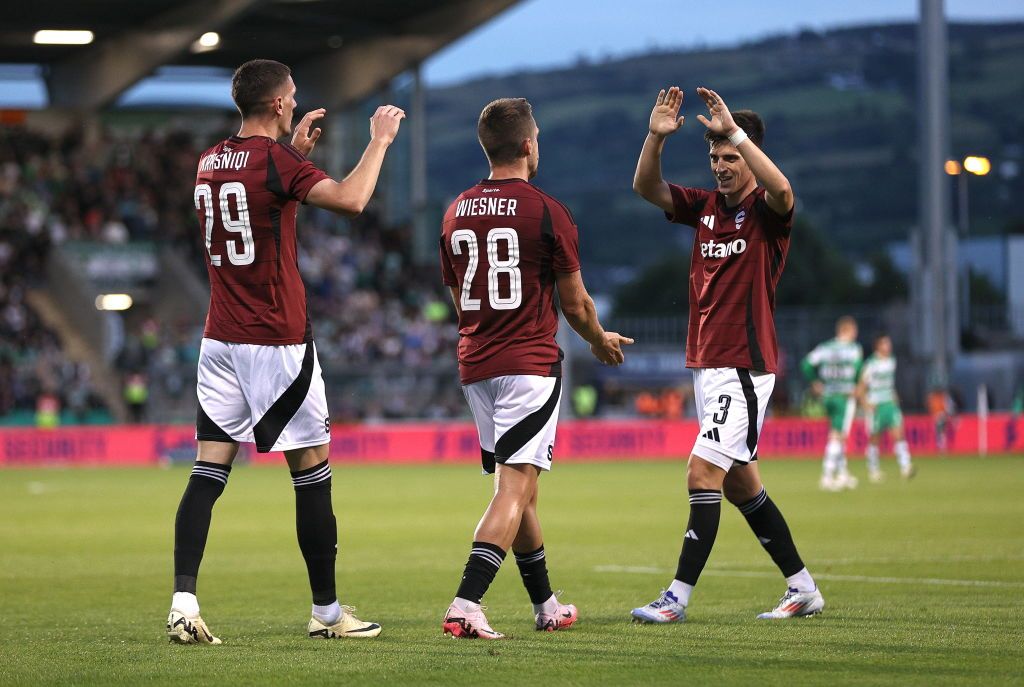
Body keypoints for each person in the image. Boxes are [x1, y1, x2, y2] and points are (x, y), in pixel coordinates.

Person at [166, 59, 405, 645]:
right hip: (275, 338)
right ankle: (327, 613)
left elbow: (262, 200)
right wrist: (378, 142)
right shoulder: (277, 162)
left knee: (207, 470)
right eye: (292, 96)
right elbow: (351, 200)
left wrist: (293, 155)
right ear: (275, 104)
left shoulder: (210, 161)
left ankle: (183, 602)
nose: (296, 103)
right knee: (312, 470)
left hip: (219, 336)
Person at [439, 98, 633, 639]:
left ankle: (546, 604)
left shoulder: (455, 210)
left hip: (476, 364)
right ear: (528, 145)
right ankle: (465, 603)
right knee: (514, 487)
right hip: (528, 364)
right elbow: (576, 305)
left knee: (520, 489)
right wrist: (598, 341)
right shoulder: (548, 210)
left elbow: (458, 297)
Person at [630, 86, 823, 622]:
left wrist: (736, 131)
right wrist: (655, 137)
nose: (719, 166)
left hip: (743, 366)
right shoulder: (705, 208)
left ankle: (677, 598)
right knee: (742, 484)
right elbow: (645, 186)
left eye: (730, 156)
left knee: (701, 473)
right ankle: (803, 587)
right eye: (714, 157)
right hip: (708, 365)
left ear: (751, 155)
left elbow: (784, 188)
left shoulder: (768, 212)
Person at [801, 316, 863, 491]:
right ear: (848, 330)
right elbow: (858, 369)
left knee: (837, 433)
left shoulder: (825, 347)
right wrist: (857, 386)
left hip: (827, 395)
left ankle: (842, 473)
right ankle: (827, 476)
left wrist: (814, 382)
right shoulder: (853, 349)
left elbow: (806, 364)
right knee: (838, 435)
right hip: (844, 395)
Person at [858, 334, 915, 481]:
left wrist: (894, 396)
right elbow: (861, 386)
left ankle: (906, 466)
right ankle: (873, 469)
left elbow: (889, 383)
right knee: (875, 438)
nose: (888, 346)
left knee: (899, 433)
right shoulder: (871, 364)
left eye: (889, 343)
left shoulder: (891, 361)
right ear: (878, 346)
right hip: (876, 405)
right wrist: (865, 404)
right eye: (885, 344)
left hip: (889, 403)